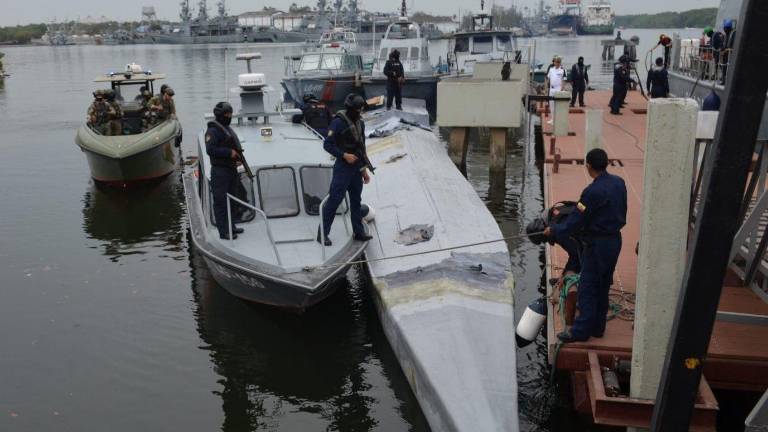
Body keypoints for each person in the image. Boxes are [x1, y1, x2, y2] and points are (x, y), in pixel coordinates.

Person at [544, 148, 627, 343]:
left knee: (588, 287)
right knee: (604, 284)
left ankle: (579, 332)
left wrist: (554, 231)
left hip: (597, 244)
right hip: (614, 240)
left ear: (588, 166)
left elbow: (576, 220)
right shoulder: (619, 183)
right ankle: (598, 327)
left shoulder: (592, 192)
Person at [318, 93, 373, 246]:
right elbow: (327, 145)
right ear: (352, 109)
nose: (360, 112)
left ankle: (358, 232)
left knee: (356, 201)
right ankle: (322, 234)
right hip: (343, 169)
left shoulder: (360, 123)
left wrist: (364, 170)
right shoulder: (338, 123)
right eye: (359, 110)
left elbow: (361, 148)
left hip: (356, 169)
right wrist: (343, 155)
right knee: (334, 201)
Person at [205, 102, 245, 240]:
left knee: (233, 199)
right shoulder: (213, 131)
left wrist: (237, 158)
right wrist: (229, 153)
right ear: (220, 115)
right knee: (221, 202)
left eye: (230, 114)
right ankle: (224, 232)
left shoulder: (226, 129)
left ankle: (232, 226)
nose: (229, 116)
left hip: (231, 169)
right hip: (220, 171)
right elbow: (210, 150)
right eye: (227, 114)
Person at [720, 19, 736, 84]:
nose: (725, 29)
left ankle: (727, 81)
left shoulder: (733, 34)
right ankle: (723, 80)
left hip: (730, 54)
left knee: (728, 67)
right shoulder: (726, 34)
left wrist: (726, 50)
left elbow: (733, 46)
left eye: (726, 28)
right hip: (725, 55)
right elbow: (725, 44)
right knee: (724, 67)